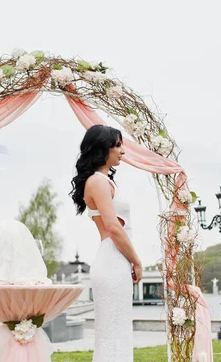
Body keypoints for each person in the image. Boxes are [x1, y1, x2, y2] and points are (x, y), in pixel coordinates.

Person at [70, 125, 141, 362]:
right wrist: (136, 260)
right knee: (112, 333)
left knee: (117, 332)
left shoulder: (103, 182)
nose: (123, 151)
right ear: (103, 148)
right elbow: (113, 228)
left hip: (114, 260)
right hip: (112, 260)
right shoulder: (98, 182)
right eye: (118, 145)